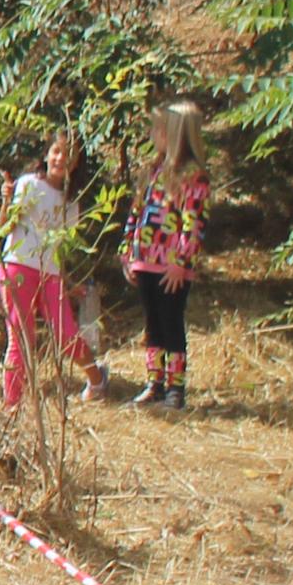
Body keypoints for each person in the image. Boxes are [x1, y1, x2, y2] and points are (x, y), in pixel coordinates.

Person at [0, 128, 102, 401]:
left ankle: (98, 380)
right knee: (21, 339)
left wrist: (66, 282)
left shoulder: (71, 204)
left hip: (50, 275)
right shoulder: (29, 184)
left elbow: (60, 250)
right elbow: (5, 228)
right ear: (47, 154)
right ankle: (13, 405)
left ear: (77, 162)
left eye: (68, 154)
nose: (60, 158)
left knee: (68, 336)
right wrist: (6, 200)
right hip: (17, 266)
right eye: (56, 151)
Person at [122, 100, 210, 409]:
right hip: (146, 258)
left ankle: (175, 389)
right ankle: (153, 383)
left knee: (171, 323)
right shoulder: (152, 170)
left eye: (159, 129)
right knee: (152, 324)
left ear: (176, 134)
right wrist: (128, 253)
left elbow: (193, 222)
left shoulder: (193, 176)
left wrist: (181, 261)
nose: (153, 134)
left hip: (172, 266)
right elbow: (136, 212)